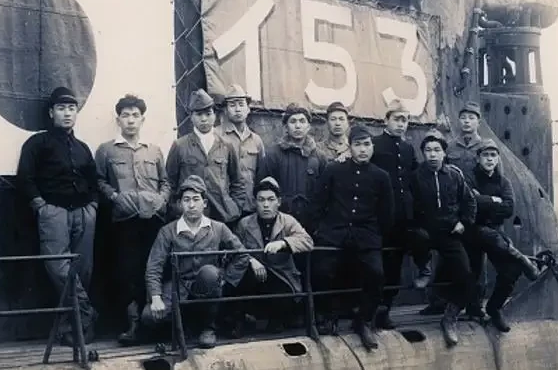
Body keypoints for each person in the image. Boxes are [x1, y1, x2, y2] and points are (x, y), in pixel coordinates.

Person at [16, 87, 108, 345]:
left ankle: (72, 326)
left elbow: (94, 181)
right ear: (51, 112)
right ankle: (87, 311)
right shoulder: (37, 143)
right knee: (58, 266)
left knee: (83, 268)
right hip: (53, 212)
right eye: (61, 108)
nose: (67, 114)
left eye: (71, 109)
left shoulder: (82, 148)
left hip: (84, 213)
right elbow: (25, 178)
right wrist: (42, 207)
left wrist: (92, 207)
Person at [95, 94, 171, 346]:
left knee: (154, 268)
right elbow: (99, 180)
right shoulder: (106, 150)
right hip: (124, 221)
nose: (130, 120)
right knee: (127, 271)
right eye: (125, 115)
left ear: (142, 119)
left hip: (153, 220)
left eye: (135, 115)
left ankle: (154, 323)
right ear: (118, 120)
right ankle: (133, 323)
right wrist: (115, 197)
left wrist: (161, 199)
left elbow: (166, 182)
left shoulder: (154, 150)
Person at [311, 125, 395, 350]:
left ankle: (364, 319)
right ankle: (327, 316)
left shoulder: (381, 176)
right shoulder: (333, 170)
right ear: (350, 147)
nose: (363, 149)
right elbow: (318, 202)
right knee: (322, 270)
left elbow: (387, 214)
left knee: (376, 274)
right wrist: (318, 230)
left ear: (372, 147)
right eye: (358, 145)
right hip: (334, 233)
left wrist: (376, 236)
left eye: (367, 145)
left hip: (366, 235)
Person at [142, 175, 249, 349]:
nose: (191, 205)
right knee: (149, 317)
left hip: (207, 286)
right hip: (179, 286)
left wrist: (225, 280)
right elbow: (154, 266)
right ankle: (184, 326)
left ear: (204, 203)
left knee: (209, 273)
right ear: (180, 204)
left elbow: (242, 255)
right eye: (186, 200)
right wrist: (156, 297)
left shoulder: (218, 228)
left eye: (196, 199)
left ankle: (208, 327)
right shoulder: (168, 231)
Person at [409, 129, 480, 347]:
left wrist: (463, 222)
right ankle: (424, 268)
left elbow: (469, 202)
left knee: (466, 276)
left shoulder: (454, 175)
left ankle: (450, 316)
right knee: (418, 237)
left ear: (443, 153)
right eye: (428, 150)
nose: (432, 154)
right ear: (423, 153)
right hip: (426, 232)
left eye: (436, 150)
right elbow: (409, 207)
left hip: (449, 233)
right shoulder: (415, 177)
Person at [466, 138, 541, 332]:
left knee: (511, 271)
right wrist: (494, 200)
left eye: (493, 155)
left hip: (494, 233)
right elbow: (470, 203)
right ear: (478, 158)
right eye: (485, 155)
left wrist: (484, 202)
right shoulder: (469, 178)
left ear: (498, 158)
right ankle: (521, 258)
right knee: (475, 270)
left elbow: (508, 209)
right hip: (473, 231)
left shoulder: (503, 182)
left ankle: (494, 307)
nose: (489, 159)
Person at [370, 99, 433, 329]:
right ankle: (368, 312)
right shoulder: (374, 145)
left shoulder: (407, 149)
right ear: (386, 120)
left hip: (402, 217)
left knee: (395, 266)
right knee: (377, 267)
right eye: (397, 119)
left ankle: (385, 311)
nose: (401, 124)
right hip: (378, 217)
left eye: (405, 120)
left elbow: (414, 177)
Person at [225, 176, 314, 336]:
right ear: (255, 202)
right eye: (261, 200)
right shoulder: (244, 224)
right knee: (240, 276)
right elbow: (234, 248)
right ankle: (239, 321)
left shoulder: (288, 221)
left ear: (278, 202)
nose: (266, 205)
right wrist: (251, 260)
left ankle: (277, 320)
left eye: (271, 199)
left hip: (281, 277)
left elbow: (307, 241)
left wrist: (284, 243)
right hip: (253, 277)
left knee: (282, 304)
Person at [423, 101, 486, 316]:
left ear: (478, 121)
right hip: (451, 214)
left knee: (475, 260)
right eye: (464, 118)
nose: (467, 122)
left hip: (474, 213)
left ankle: (474, 305)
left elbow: (495, 177)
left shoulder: (485, 147)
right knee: (447, 260)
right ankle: (440, 301)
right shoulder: (449, 147)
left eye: (471, 118)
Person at [165, 89, 248, 227]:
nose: (204, 119)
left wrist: (235, 207)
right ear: (191, 117)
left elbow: (238, 181)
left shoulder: (226, 145)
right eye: (199, 114)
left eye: (208, 114)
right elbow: (170, 183)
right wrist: (177, 210)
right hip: (190, 216)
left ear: (215, 115)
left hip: (222, 215)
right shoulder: (180, 146)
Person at [256, 103, 328, 232]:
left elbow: (325, 193)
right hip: (280, 221)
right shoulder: (273, 155)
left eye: (302, 121)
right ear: (286, 127)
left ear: (308, 126)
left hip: (311, 222)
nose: (298, 126)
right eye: (293, 121)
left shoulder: (319, 157)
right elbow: (263, 188)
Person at [218, 84, 266, 215]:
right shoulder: (216, 136)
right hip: (224, 208)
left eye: (241, 104)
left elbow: (261, 176)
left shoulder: (256, 140)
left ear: (248, 108)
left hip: (250, 207)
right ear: (225, 110)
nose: (237, 109)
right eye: (232, 105)